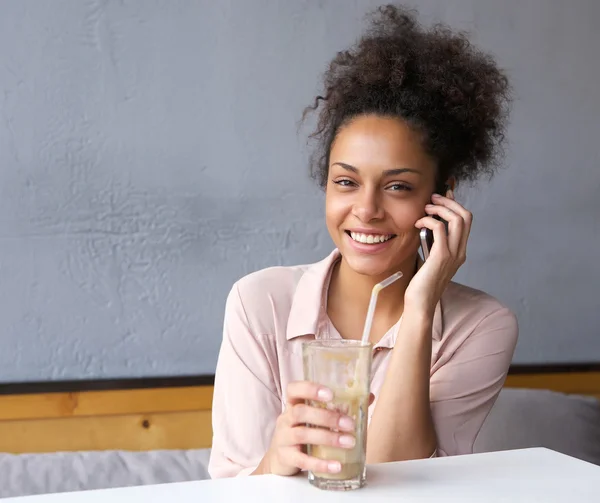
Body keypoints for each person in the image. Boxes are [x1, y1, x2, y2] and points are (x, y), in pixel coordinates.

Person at [208, 4, 517, 479]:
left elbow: (403, 476)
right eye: (346, 182)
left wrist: (419, 307)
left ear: (442, 198)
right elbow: (229, 488)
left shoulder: (480, 327)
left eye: (397, 187)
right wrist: (277, 460)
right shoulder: (259, 304)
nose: (367, 209)